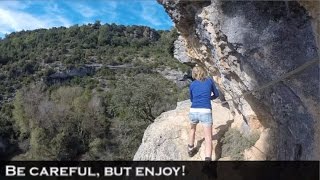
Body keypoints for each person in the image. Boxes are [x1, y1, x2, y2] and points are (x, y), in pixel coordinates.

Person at [188, 66, 219, 161]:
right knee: (208, 137)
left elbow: (191, 99)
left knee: (192, 129)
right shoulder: (209, 81)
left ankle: (190, 149)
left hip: (193, 110)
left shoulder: (192, 84)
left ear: (193, 74)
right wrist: (208, 98)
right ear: (203, 72)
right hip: (205, 111)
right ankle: (207, 161)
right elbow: (216, 94)